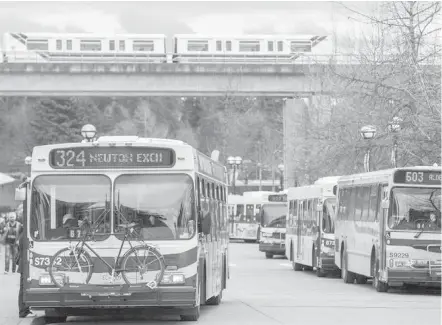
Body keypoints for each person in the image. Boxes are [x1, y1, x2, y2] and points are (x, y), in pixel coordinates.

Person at [16, 229, 32, 318]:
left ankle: (24, 310)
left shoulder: (22, 234)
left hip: (23, 264)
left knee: (23, 287)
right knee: (23, 288)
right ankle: (22, 311)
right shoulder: (24, 235)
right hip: (24, 265)